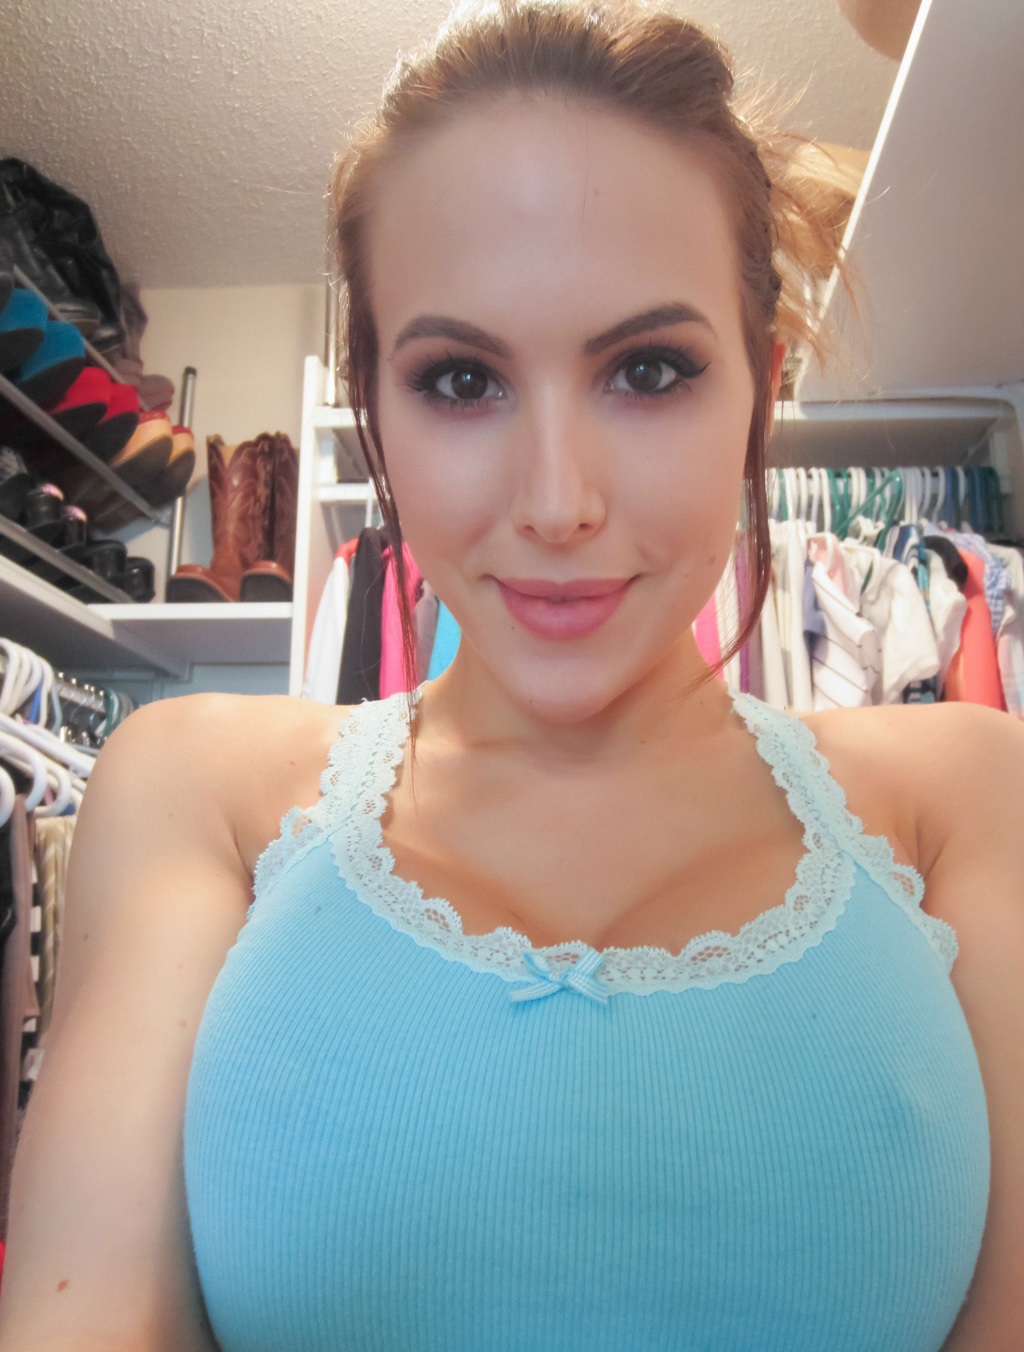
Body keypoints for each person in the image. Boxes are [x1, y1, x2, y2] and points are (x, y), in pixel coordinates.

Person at [1, 2, 1020, 1349]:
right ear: (375, 408)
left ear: (759, 394)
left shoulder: (969, 800)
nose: (556, 502)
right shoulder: (197, 792)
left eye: (648, 370)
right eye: (462, 380)